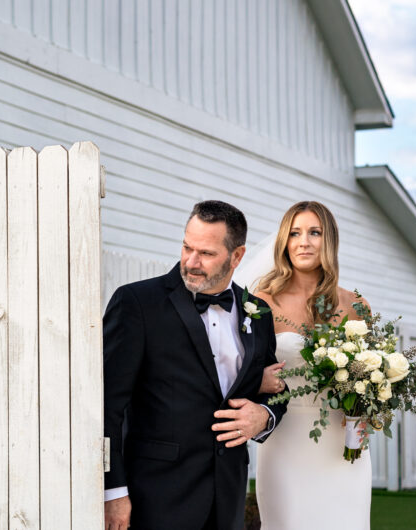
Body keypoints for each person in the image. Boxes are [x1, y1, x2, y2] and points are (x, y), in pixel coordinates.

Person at [103, 200, 287, 530]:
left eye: (206, 253)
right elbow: (106, 405)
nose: (191, 261)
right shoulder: (136, 303)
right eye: (187, 247)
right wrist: (112, 492)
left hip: (228, 494)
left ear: (237, 256)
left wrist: (264, 415)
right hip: (155, 497)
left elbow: (274, 387)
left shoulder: (257, 313)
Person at [250, 200, 372, 529]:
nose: (304, 241)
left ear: (328, 240)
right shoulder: (261, 302)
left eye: (314, 232)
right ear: (284, 242)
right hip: (285, 443)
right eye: (295, 233)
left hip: (343, 446)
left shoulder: (356, 305)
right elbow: (242, 372)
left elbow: (372, 379)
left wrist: (368, 411)